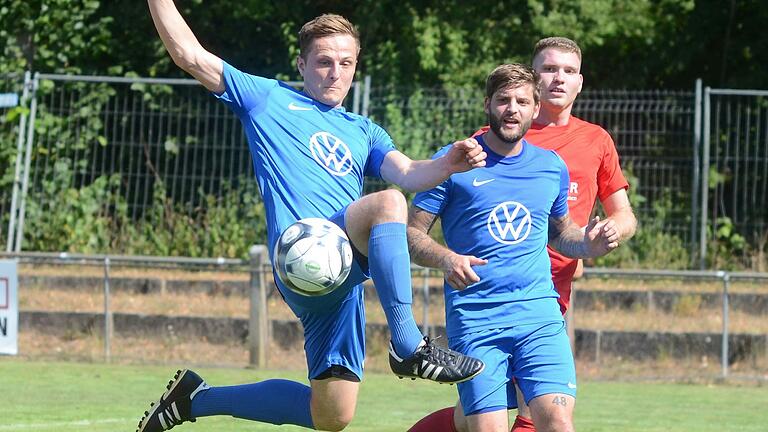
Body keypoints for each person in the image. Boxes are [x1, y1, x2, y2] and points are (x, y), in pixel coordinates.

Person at [136, 3, 486, 432]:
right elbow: (188, 54)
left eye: (346, 63)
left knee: (332, 414)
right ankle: (407, 344)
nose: (335, 72)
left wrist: (449, 164)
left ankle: (193, 400)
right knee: (389, 203)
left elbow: (411, 172)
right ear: (302, 64)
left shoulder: (365, 130)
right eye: (323, 62)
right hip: (303, 253)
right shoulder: (268, 98)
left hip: (344, 275)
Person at [408, 37, 637, 432]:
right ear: (487, 105)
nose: (512, 110)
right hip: (477, 316)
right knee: (484, 425)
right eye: (503, 100)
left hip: (540, 311)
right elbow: (411, 233)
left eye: (521, 102)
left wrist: (591, 244)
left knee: (556, 421)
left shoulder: (552, 166)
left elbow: (562, 234)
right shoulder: (460, 158)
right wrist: (447, 258)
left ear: (535, 109)